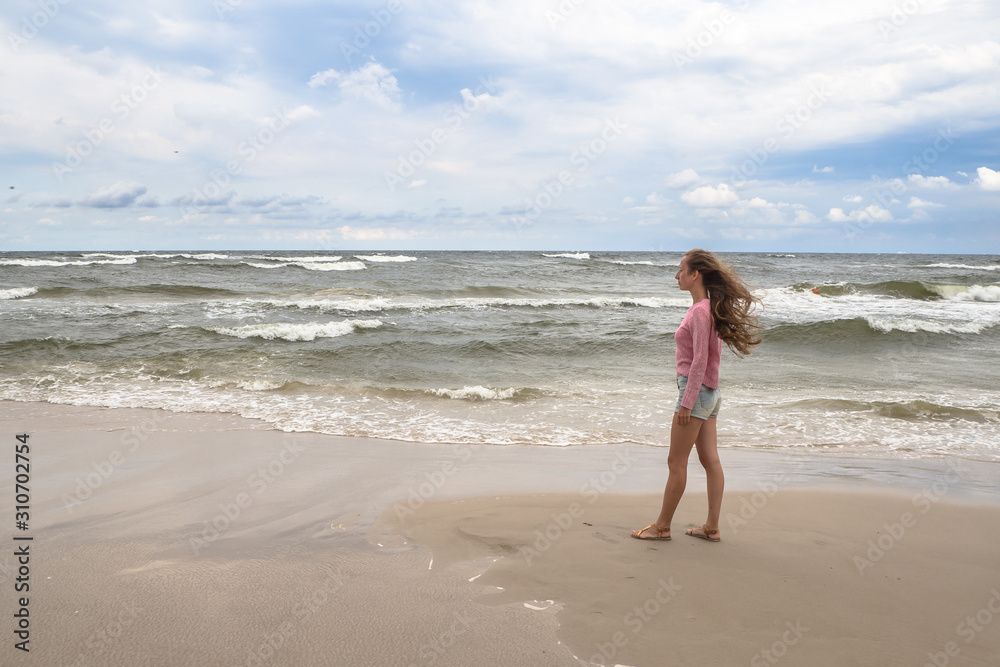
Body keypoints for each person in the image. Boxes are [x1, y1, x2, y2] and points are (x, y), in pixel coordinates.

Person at [631, 249, 761, 543]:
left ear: (695, 274)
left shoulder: (701, 311)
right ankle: (711, 528)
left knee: (676, 462)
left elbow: (700, 360)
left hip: (697, 393)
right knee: (710, 461)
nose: (676, 276)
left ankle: (662, 526)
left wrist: (686, 403)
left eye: (680, 270)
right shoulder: (709, 308)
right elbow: (710, 359)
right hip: (711, 393)